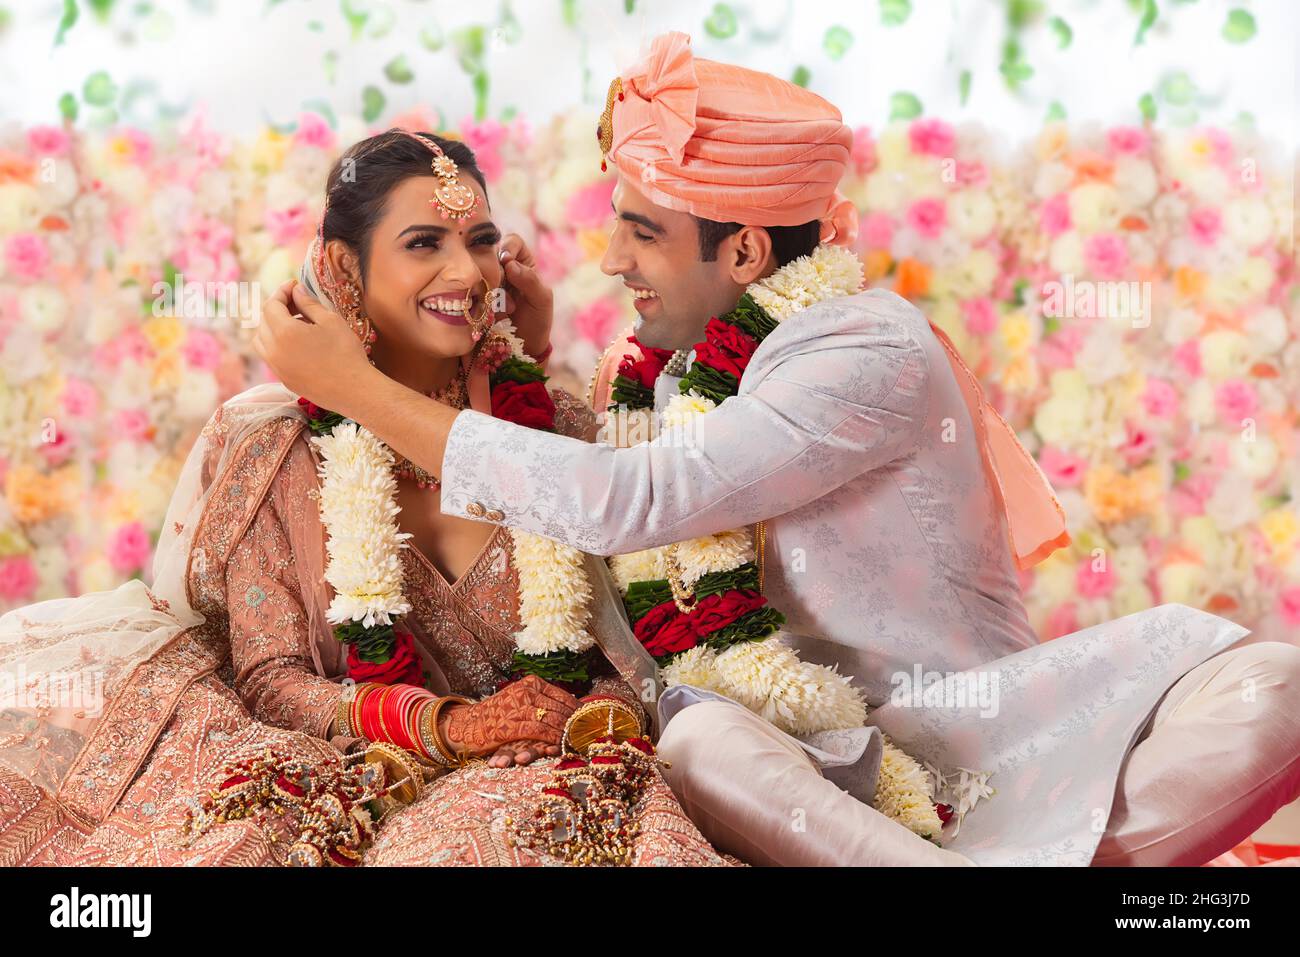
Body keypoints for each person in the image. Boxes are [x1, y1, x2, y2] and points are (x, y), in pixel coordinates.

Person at [252, 33, 1300, 867]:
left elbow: (638, 498)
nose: (611, 257)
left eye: (641, 233)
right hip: (788, 761)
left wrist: (355, 389)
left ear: (745, 251)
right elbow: (603, 485)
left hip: (965, 732)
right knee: (699, 740)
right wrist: (540, 351)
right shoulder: (663, 373)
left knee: (1275, 688)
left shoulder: (862, 346)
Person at [0, 129, 729, 867]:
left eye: (479, 240)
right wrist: (450, 726)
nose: (464, 271)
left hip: (546, 775)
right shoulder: (279, 453)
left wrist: (577, 714)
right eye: (422, 243)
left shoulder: (556, 432)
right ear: (345, 268)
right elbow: (269, 677)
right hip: (365, 766)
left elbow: (644, 645)